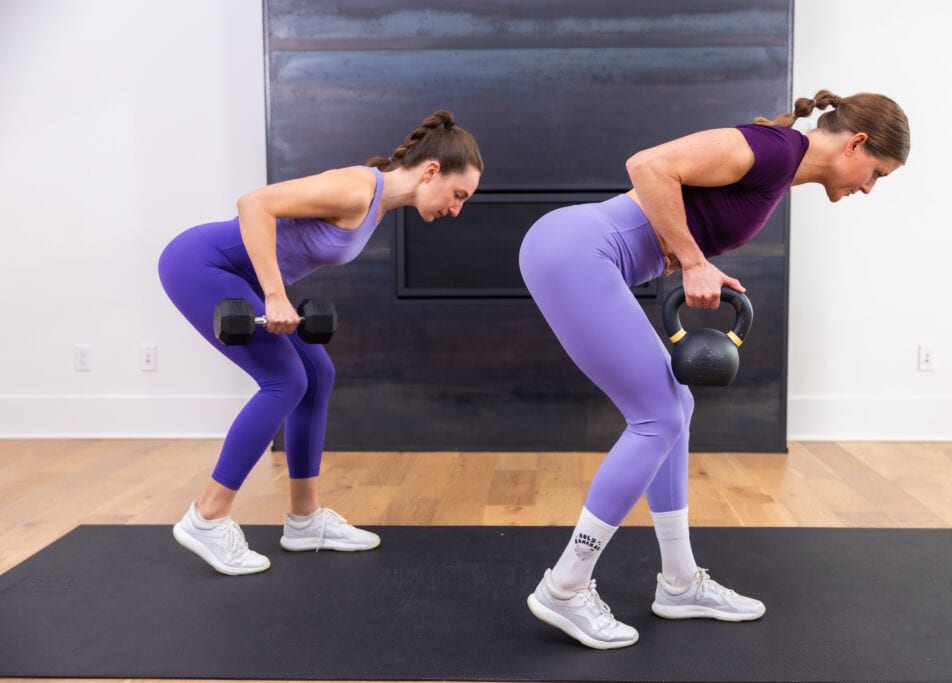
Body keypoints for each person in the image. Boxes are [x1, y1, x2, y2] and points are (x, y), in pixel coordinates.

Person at [520, 90, 910, 648]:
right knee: (655, 416)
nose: (869, 188)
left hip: (579, 251)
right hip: (577, 251)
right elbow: (648, 165)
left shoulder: (781, 166)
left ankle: (679, 583)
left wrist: (689, 259)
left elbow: (674, 209)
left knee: (676, 407)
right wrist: (696, 260)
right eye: (877, 173)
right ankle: (565, 586)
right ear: (857, 143)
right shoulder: (777, 148)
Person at [159, 110, 483, 575]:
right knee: (284, 380)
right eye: (458, 195)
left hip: (240, 276)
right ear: (432, 171)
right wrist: (274, 295)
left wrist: (271, 290)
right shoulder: (357, 188)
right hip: (201, 264)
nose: (456, 208)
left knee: (316, 374)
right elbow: (254, 204)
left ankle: (305, 520)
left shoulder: (376, 202)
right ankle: (207, 517)